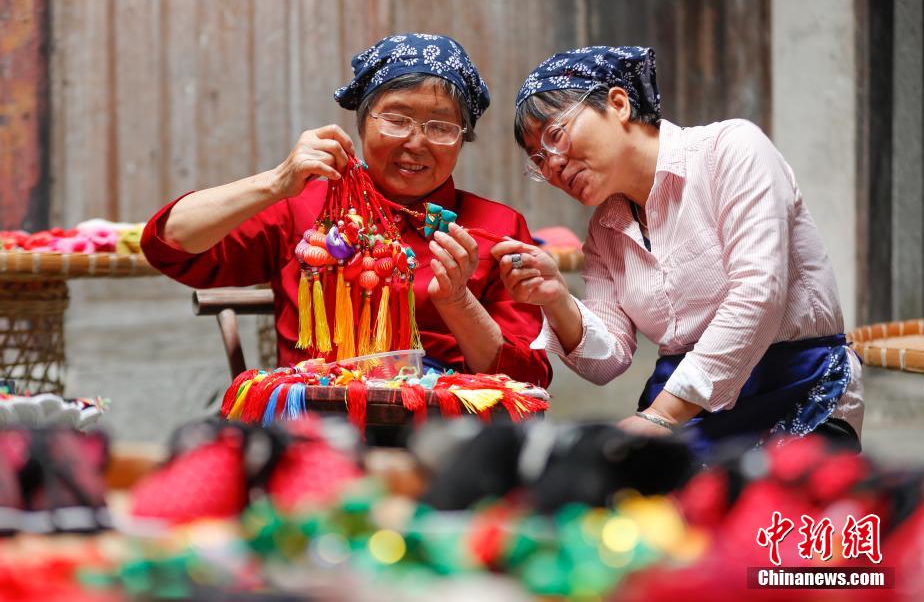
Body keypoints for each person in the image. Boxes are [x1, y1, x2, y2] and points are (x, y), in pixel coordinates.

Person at [491, 46, 863, 455]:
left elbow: (758, 294)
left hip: (795, 386)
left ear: (618, 104)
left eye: (555, 136)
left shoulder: (732, 150)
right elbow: (608, 360)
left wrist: (662, 416)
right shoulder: (606, 229)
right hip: (679, 405)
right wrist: (558, 298)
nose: (552, 166)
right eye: (538, 158)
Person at [142, 33, 551, 387]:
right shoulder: (302, 208)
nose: (416, 142)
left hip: (444, 436)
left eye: (441, 126)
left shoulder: (496, 227)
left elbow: (524, 380)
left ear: (462, 138)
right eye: (396, 118)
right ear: (361, 122)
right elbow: (171, 245)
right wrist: (277, 182)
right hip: (319, 428)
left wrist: (458, 302)